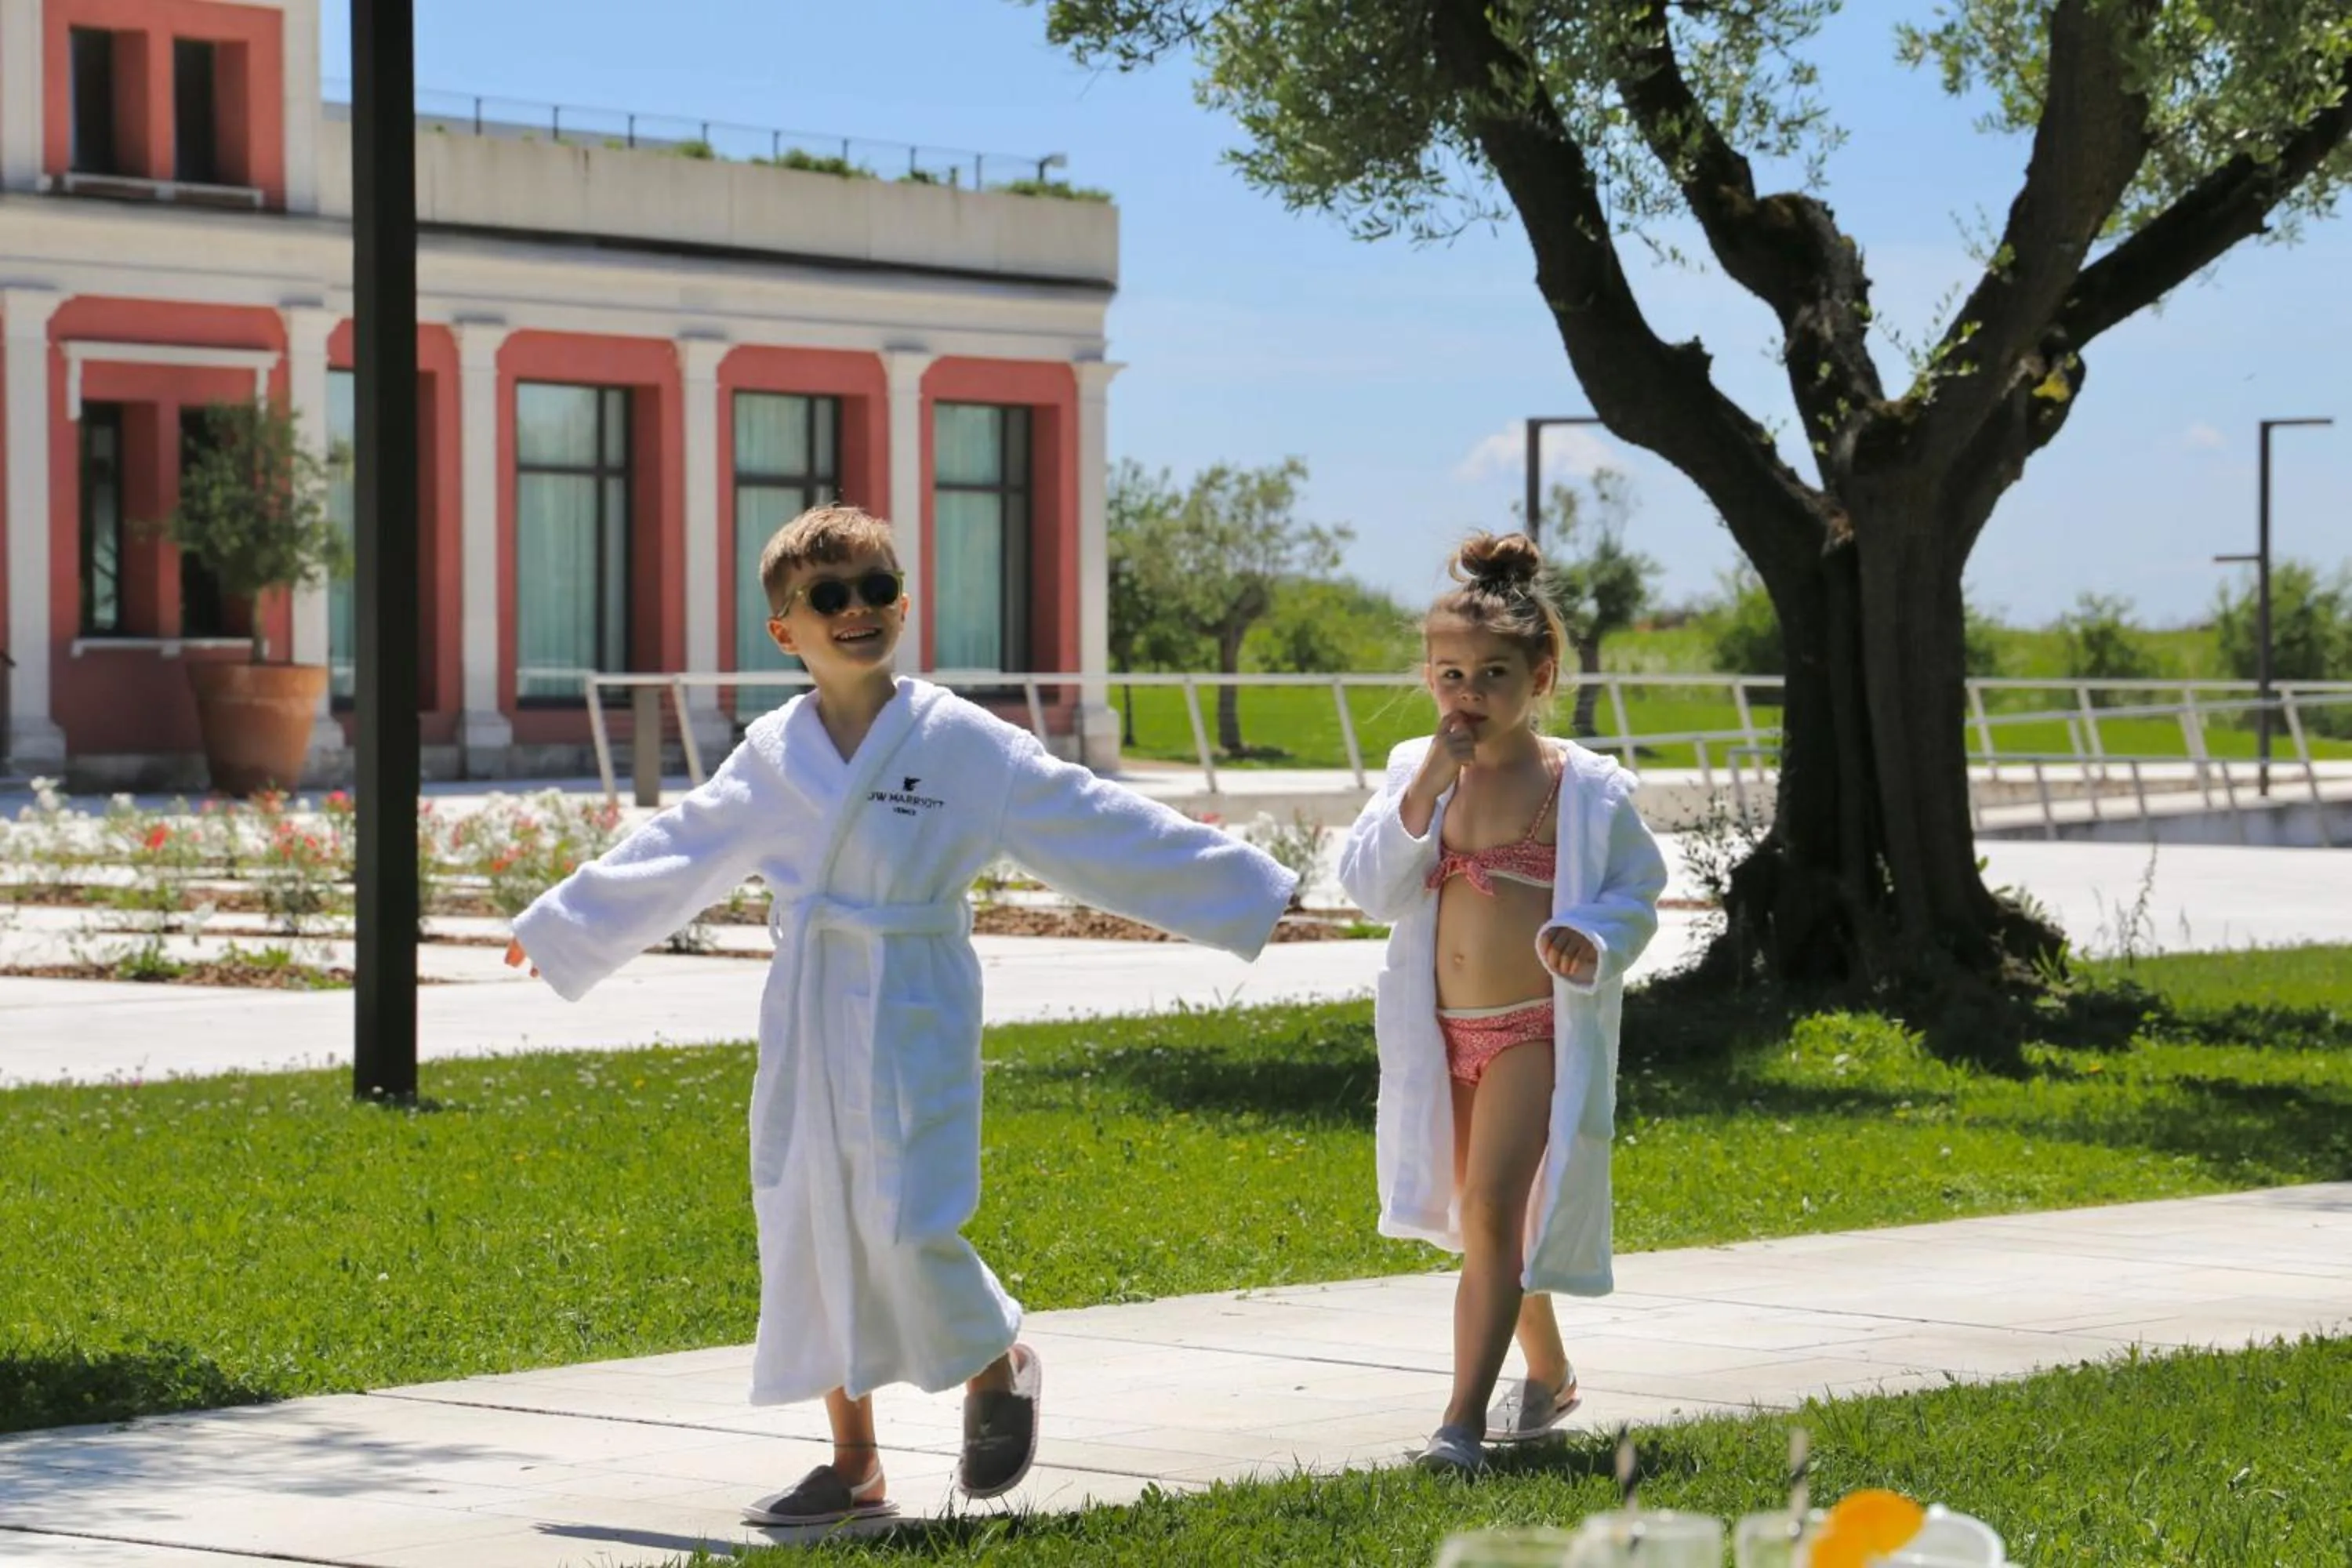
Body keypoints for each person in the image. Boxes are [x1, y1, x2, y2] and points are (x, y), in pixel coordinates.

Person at [503, 504, 1298, 1526]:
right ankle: (853, 1467)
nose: (856, 611)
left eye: (876, 589)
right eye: (827, 597)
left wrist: (1244, 884)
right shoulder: (772, 753)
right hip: (809, 1008)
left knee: (907, 1214)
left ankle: (997, 1361)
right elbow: (682, 843)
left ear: (905, 603)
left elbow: (1090, 815)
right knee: (811, 1216)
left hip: (915, 993)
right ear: (783, 630)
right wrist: (568, 921)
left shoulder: (962, 742)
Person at [1336, 530, 1667, 1475]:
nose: (1466, 694)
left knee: (1489, 1211)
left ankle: (1459, 1424)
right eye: (1448, 675)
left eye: (1491, 673)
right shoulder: (1417, 769)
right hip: (1441, 1033)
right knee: (1491, 1223)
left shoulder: (1583, 786)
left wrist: (1593, 937)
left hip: (1530, 1029)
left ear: (1543, 673)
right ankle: (1551, 1371)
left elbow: (1637, 890)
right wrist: (1426, 791)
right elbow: (1371, 887)